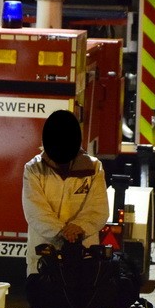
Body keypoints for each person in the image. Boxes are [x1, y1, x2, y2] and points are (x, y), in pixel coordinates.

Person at [22, 109, 110, 276]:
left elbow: (98, 208)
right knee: (44, 298)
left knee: (80, 298)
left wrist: (78, 228)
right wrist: (63, 231)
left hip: (83, 254)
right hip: (45, 257)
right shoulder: (33, 169)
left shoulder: (93, 168)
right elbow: (35, 211)